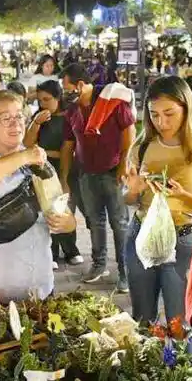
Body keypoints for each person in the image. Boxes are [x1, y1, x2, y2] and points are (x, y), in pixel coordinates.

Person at [0, 91, 77, 302]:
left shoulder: (36, 161)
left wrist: (67, 223)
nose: (15, 123)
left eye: (19, 116)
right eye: (5, 118)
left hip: (38, 292)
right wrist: (24, 155)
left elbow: (66, 214)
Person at [124, 76, 192, 334]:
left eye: (169, 113)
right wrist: (133, 190)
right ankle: (145, 372)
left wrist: (184, 196)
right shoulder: (142, 145)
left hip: (183, 239)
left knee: (179, 325)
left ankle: (179, 371)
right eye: (154, 115)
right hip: (141, 234)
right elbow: (128, 199)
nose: (162, 122)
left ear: (186, 108)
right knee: (142, 322)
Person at [59, 63, 136, 292]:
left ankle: (125, 272)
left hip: (113, 173)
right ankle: (99, 264)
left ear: (80, 85)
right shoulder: (72, 111)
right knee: (95, 222)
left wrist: (123, 164)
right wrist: (64, 178)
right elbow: (67, 145)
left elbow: (129, 134)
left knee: (119, 224)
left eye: (67, 87)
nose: (64, 92)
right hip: (86, 174)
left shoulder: (112, 103)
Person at [24, 80, 84, 269]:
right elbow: (27, 144)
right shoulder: (39, 117)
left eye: (47, 99)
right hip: (42, 170)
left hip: (65, 168)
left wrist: (44, 151)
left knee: (65, 208)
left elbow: (69, 149)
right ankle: (51, 253)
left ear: (58, 97)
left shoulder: (69, 117)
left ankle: (71, 250)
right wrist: (36, 123)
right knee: (44, 208)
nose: (43, 104)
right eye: (40, 100)